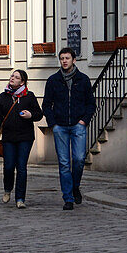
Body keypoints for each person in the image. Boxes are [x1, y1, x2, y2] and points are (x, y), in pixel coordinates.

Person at [42, 47, 95, 210]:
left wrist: (84, 121)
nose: (64, 61)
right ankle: (68, 198)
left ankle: (75, 185)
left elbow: (91, 104)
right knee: (64, 163)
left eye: (67, 58)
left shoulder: (83, 80)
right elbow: (46, 105)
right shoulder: (53, 80)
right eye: (62, 58)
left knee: (79, 160)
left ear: (74, 60)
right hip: (60, 127)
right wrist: (53, 124)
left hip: (78, 126)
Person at [0, 69, 44, 208]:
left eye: (16, 77)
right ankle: (8, 189)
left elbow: (39, 114)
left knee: (21, 167)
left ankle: (20, 199)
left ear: (22, 82)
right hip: (8, 137)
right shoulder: (3, 96)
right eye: (12, 76)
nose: (12, 78)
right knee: (8, 166)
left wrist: (30, 115)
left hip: (25, 137)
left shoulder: (29, 96)